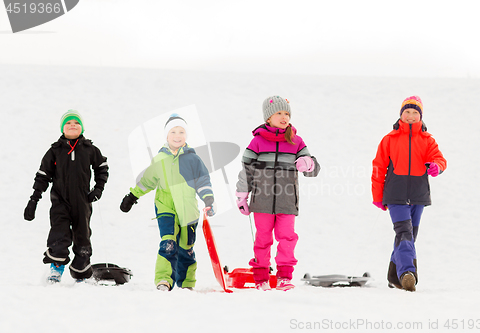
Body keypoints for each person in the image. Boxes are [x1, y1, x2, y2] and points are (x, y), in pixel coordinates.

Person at [120, 113, 215, 291]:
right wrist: (132, 197)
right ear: (166, 136)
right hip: (166, 207)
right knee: (168, 243)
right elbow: (147, 181)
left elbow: (203, 181)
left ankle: (186, 283)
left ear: (186, 136)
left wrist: (208, 198)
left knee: (186, 247)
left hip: (188, 211)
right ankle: (163, 280)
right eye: (173, 132)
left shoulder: (193, 159)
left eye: (181, 132)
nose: (177, 136)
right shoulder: (160, 159)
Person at [236, 96, 320, 291]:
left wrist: (308, 164)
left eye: (287, 114)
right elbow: (246, 170)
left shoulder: (296, 141)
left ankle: (284, 277)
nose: (284, 117)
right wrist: (242, 195)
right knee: (263, 239)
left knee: (287, 237)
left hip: (287, 201)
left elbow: (313, 169)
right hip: (262, 201)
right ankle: (261, 278)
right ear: (268, 118)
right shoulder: (257, 142)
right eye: (279, 113)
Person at [371, 96, 447, 292]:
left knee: (410, 236)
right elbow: (378, 168)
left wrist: (436, 167)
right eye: (408, 112)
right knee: (404, 233)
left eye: (415, 112)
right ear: (401, 114)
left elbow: (439, 159)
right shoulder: (389, 139)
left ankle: (393, 276)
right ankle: (408, 274)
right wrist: (378, 196)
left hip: (418, 195)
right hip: (395, 195)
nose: (411, 116)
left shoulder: (428, 140)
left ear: (420, 115)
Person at [24, 110, 109, 283]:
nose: (72, 125)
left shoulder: (90, 149)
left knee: (82, 238)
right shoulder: (55, 151)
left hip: (83, 202)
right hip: (60, 201)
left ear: (82, 127)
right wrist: (34, 199)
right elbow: (42, 175)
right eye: (68, 123)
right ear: (62, 128)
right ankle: (56, 269)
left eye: (76, 123)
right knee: (59, 235)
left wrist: (98, 189)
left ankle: (81, 274)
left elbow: (102, 168)